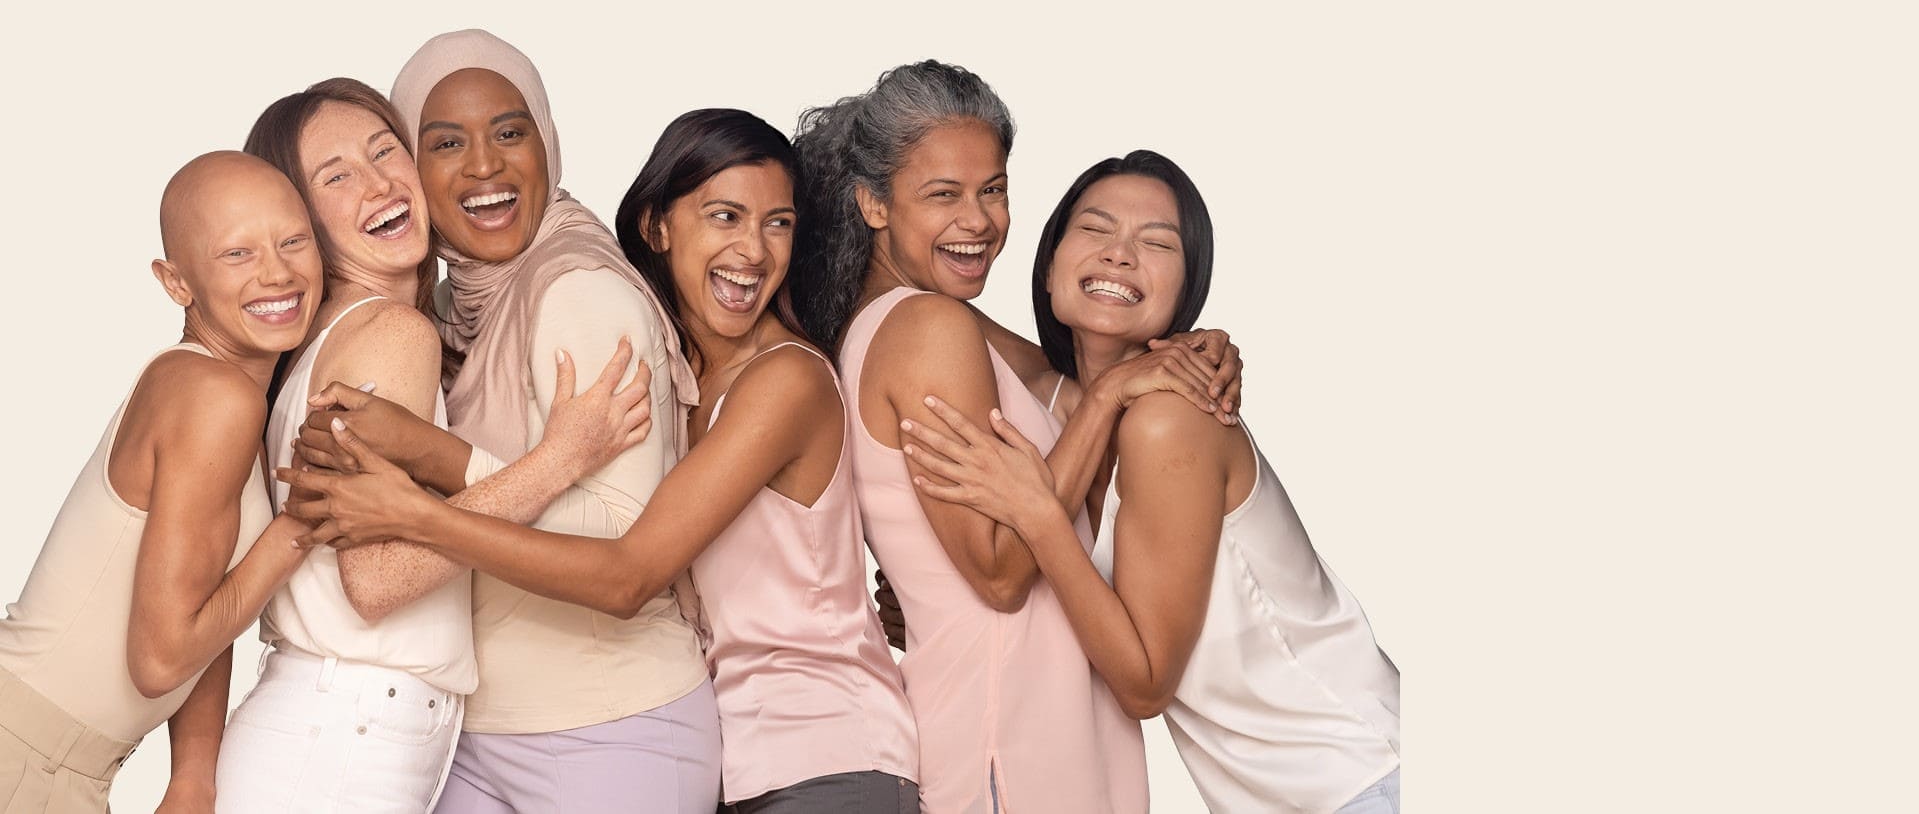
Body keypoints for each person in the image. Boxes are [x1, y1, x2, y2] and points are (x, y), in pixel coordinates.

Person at [291, 109, 924, 812]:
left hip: (829, 758)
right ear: (658, 226)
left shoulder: (784, 382)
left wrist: (421, 513)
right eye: (725, 216)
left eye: (778, 223)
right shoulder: (686, 372)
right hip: (745, 763)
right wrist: (425, 444)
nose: (754, 249)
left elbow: (627, 577)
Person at [792, 59, 1245, 813]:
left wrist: (1195, 346)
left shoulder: (932, 321)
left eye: (992, 190)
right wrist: (1111, 400)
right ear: (872, 203)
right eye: (943, 195)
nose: (978, 221)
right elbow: (1001, 573)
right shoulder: (924, 327)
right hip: (1009, 746)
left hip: (1036, 727)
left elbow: (1073, 382)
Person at [286, 29, 713, 813]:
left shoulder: (579, 291)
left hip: (610, 730)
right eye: (446, 143)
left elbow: (621, 542)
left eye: (510, 132)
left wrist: (437, 468)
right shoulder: (450, 309)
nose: (484, 165)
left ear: (548, 142)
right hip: (472, 737)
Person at [897, 152, 1401, 813]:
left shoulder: (1170, 421)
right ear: (1049, 265)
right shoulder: (1063, 408)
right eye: (1096, 229)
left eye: (1156, 242)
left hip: (1355, 777)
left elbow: (1144, 686)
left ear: (1186, 287)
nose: (1119, 256)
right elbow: (921, 311)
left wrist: (1040, 517)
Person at [0, 152, 322, 812]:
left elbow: (202, 593)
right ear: (177, 282)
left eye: (293, 240)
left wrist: (193, 773)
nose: (278, 270)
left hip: (56, 759)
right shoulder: (215, 398)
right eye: (238, 253)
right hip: (25, 757)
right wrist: (298, 528)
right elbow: (162, 656)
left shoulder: (214, 387)